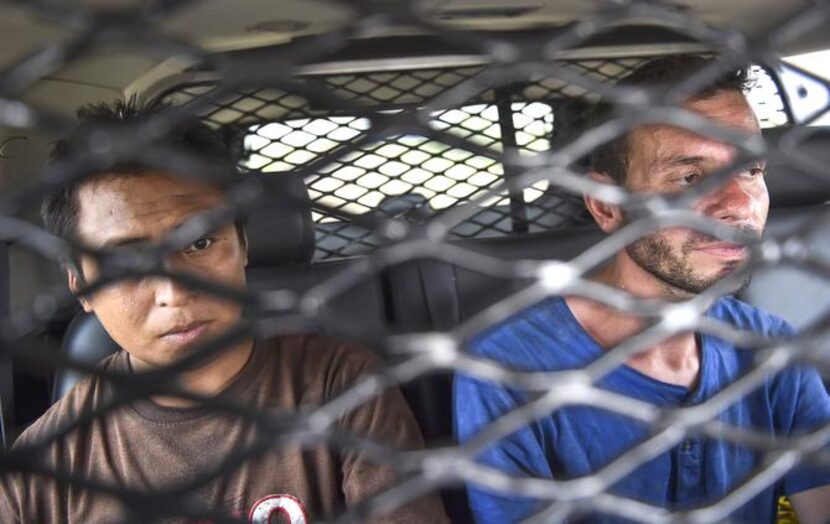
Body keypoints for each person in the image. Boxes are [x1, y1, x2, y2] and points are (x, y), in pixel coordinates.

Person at [0, 99, 449, 523]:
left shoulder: (340, 385)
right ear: (80, 284)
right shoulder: (44, 464)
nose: (174, 292)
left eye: (200, 243)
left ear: (243, 246)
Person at [454, 55, 830, 523]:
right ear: (607, 207)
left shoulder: (771, 349)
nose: (739, 205)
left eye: (752, 170)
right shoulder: (506, 370)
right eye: (690, 177)